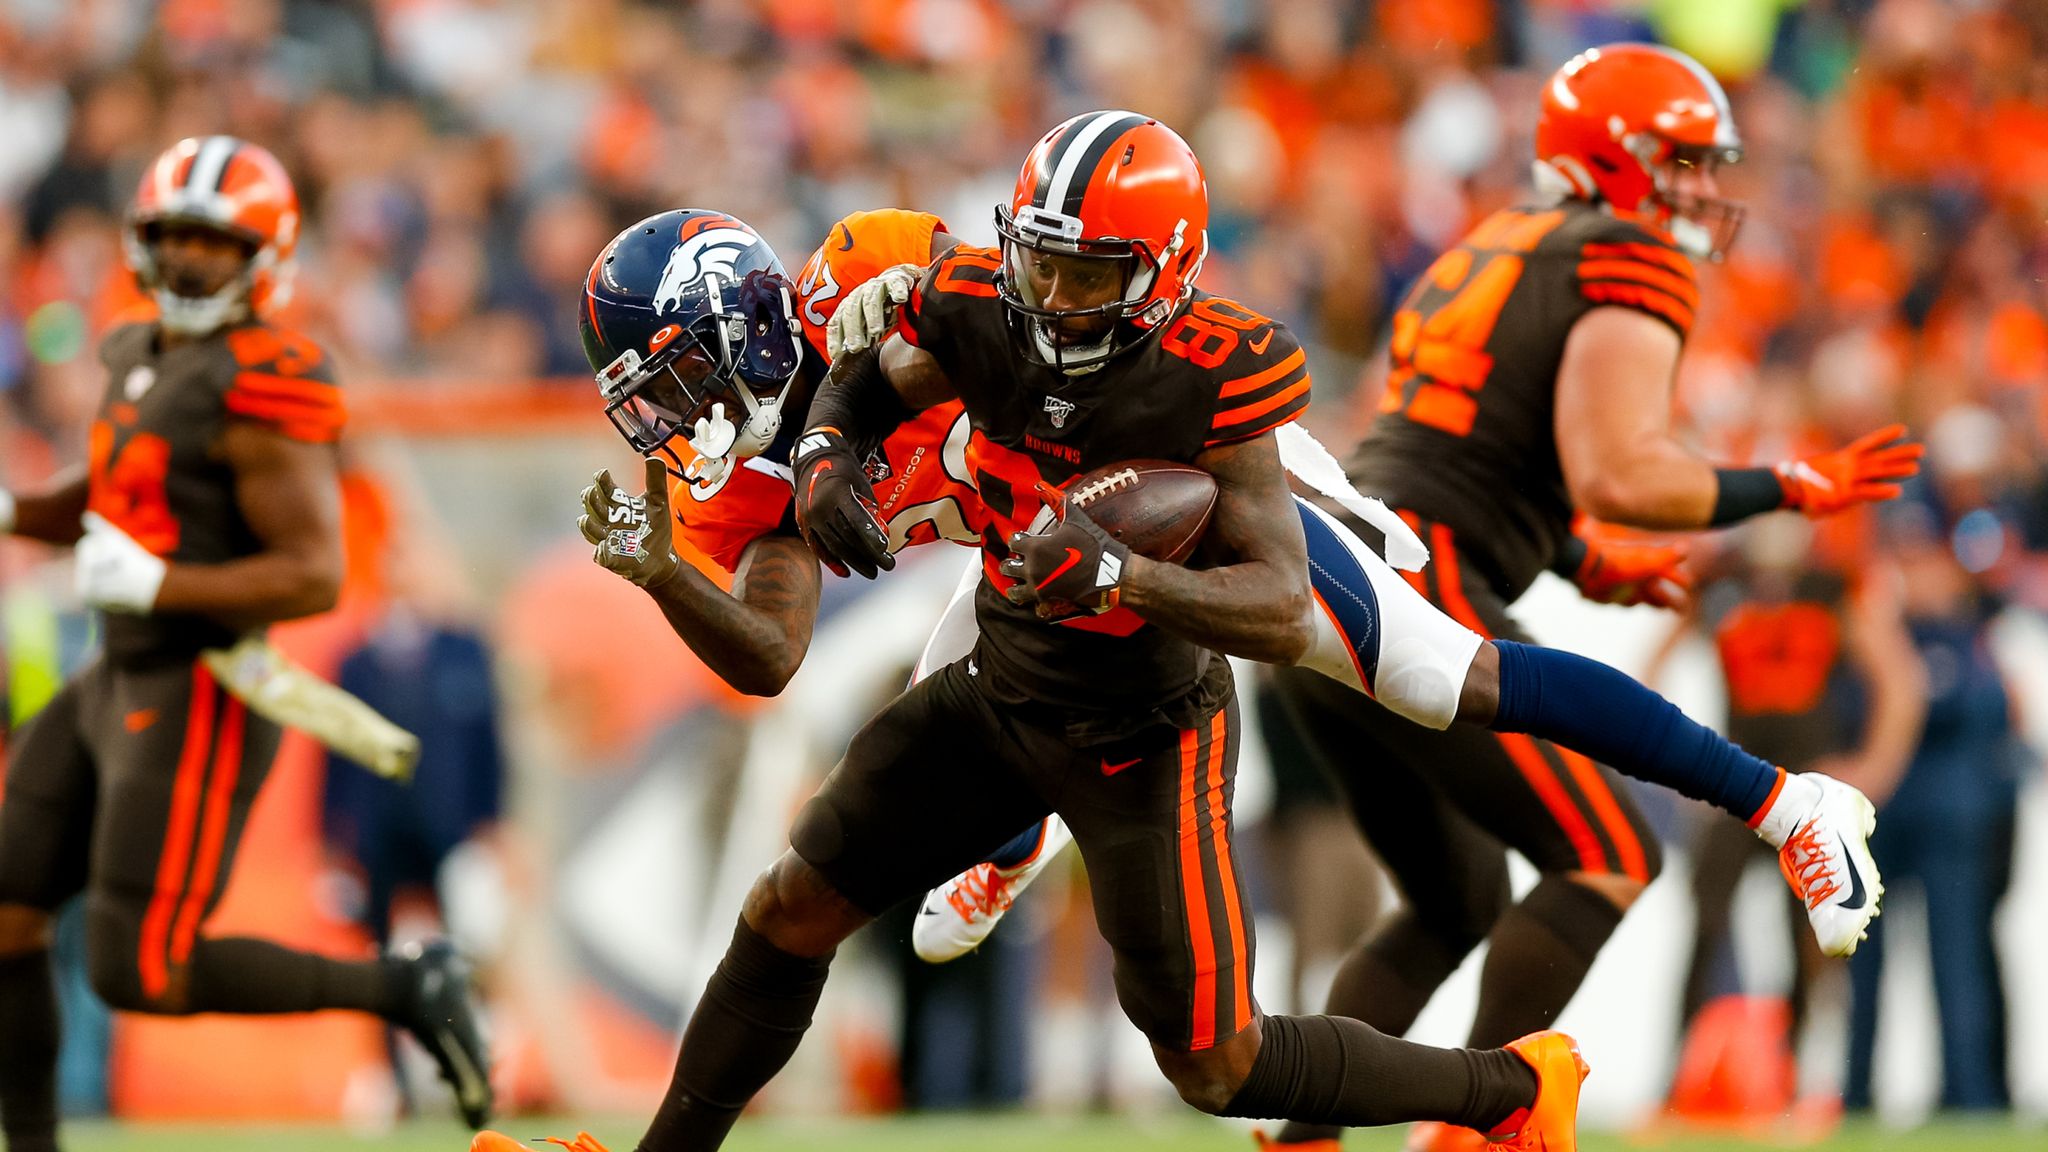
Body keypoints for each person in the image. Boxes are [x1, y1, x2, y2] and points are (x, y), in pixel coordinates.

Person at [871, 47, 1918, 1152]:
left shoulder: (1497, 240)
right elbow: (1620, 471)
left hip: (1340, 567)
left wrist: (1568, 555)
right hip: (1388, 568)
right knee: (1607, 845)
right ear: (1626, 159)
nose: (1703, 191)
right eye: (1687, 163)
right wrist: (1781, 486)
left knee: (1454, 893)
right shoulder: (1619, 252)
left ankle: (1296, 1135)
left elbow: (1459, 438)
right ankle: (1494, 1113)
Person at [0, 136, 492, 1152]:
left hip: (202, 689)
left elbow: (313, 571)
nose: (184, 261)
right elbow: (103, 494)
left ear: (264, 258)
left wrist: (159, 581)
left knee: (139, 969)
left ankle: (400, 985)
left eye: (211, 244)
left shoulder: (268, 383)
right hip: (117, 672)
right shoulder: (143, 353)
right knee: (6, 911)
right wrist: (12, 507)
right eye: (172, 237)